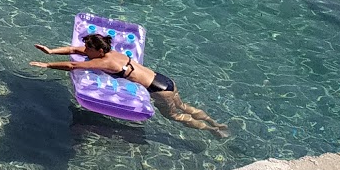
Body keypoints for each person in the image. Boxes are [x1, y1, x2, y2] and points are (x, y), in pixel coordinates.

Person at [31, 33, 227, 136]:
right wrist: (50, 51)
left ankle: (212, 130)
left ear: (98, 51)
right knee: (183, 106)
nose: (84, 50)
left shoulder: (104, 62)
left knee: (175, 115)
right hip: (165, 81)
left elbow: (73, 65)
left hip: (158, 91)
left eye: (89, 48)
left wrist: (47, 64)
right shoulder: (112, 53)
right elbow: (76, 49)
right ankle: (215, 122)